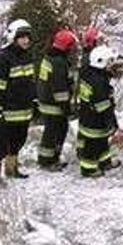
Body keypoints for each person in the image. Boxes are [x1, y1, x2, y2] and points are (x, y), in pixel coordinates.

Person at [0, 19, 36, 183]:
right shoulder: (2, 58)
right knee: (2, 142)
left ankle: (11, 168)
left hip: (23, 109)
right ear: (13, 37)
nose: (26, 41)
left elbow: (30, 82)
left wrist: (34, 101)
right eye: (22, 37)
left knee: (19, 140)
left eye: (27, 37)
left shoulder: (27, 56)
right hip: (8, 110)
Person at [76, 45, 123, 177]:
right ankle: (88, 169)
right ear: (101, 62)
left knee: (102, 142)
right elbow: (105, 108)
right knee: (92, 145)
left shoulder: (90, 74)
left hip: (89, 116)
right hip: (94, 121)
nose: (112, 66)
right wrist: (114, 128)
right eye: (110, 62)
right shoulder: (99, 82)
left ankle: (104, 162)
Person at [37, 29, 77, 170]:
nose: (73, 50)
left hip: (46, 101)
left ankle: (49, 158)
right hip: (54, 104)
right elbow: (60, 89)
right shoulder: (59, 62)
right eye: (71, 46)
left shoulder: (49, 57)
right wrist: (66, 107)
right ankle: (48, 161)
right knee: (55, 131)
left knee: (53, 130)